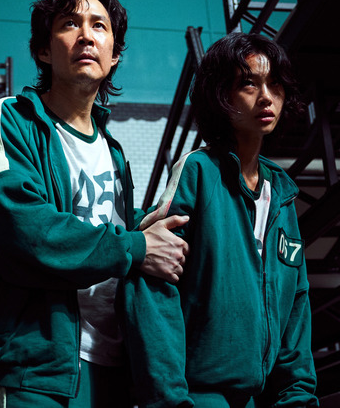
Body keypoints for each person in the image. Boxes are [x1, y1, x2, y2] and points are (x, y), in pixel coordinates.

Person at [0, 0, 190, 407]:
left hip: (115, 363)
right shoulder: (13, 119)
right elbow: (26, 233)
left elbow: (119, 239)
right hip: (37, 367)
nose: (86, 35)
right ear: (44, 51)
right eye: (70, 24)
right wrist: (138, 245)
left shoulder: (115, 152)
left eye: (99, 26)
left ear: (114, 56)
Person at [123, 32, 318, 407]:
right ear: (222, 97)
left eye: (273, 83)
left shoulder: (283, 194)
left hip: (260, 399)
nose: (266, 96)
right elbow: (153, 285)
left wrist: (298, 397)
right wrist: (170, 399)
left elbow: (296, 304)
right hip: (197, 395)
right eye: (248, 83)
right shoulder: (198, 172)